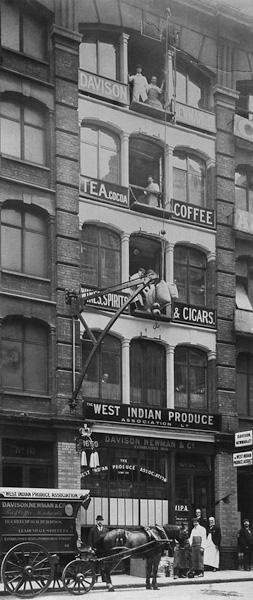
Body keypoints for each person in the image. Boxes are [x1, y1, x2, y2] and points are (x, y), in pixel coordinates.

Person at [88, 515, 114, 591]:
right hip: (96, 549)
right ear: (96, 521)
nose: (100, 522)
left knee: (104, 563)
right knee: (96, 564)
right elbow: (90, 539)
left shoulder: (106, 529)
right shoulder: (93, 529)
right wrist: (90, 548)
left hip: (104, 550)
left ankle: (104, 578)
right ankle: (95, 578)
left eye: (101, 520)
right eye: (98, 520)